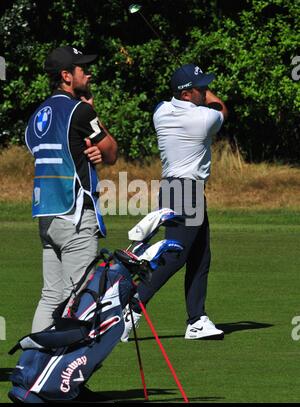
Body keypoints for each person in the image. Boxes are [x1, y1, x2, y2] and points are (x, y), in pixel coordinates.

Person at [121, 63, 228, 341]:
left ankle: (197, 320)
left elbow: (192, 102)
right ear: (187, 94)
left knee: (200, 255)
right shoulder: (203, 118)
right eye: (200, 88)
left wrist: (200, 90)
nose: (205, 91)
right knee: (175, 256)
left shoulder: (160, 111)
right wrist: (211, 95)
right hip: (187, 192)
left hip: (171, 188)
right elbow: (222, 110)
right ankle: (131, 307)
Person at [25, 46, 117, 332]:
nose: (87, 73)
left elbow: (57, 151)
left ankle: (33, 367)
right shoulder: (80, 110)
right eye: (81, 69)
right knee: (78, 300)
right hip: (74, 216)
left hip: (47, 217)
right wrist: (92, 113)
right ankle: (65, 374)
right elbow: (111, 151)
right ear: (66, 76)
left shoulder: (37, 115)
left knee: (50, 296)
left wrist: (88, 152)